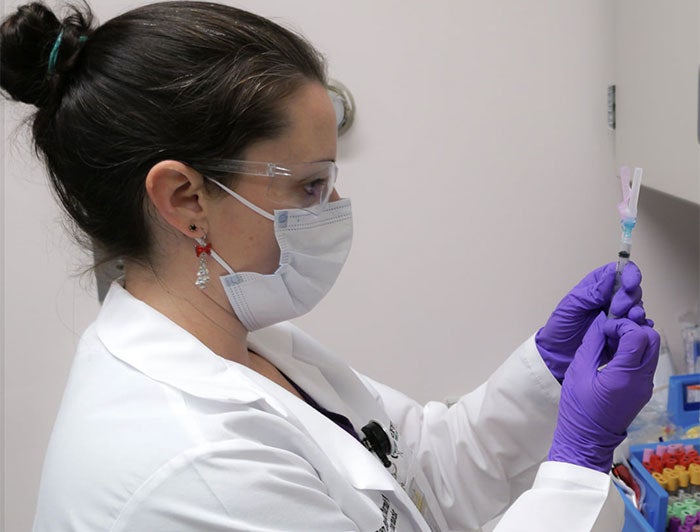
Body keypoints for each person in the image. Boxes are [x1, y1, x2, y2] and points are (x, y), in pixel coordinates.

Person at [0, 2, 660, 531]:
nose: (336, 208)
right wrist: (579, 460)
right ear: (185, 200)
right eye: (310, 186)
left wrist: (548, 373)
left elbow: (418, 475)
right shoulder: (191, 465)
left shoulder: (249, 341)